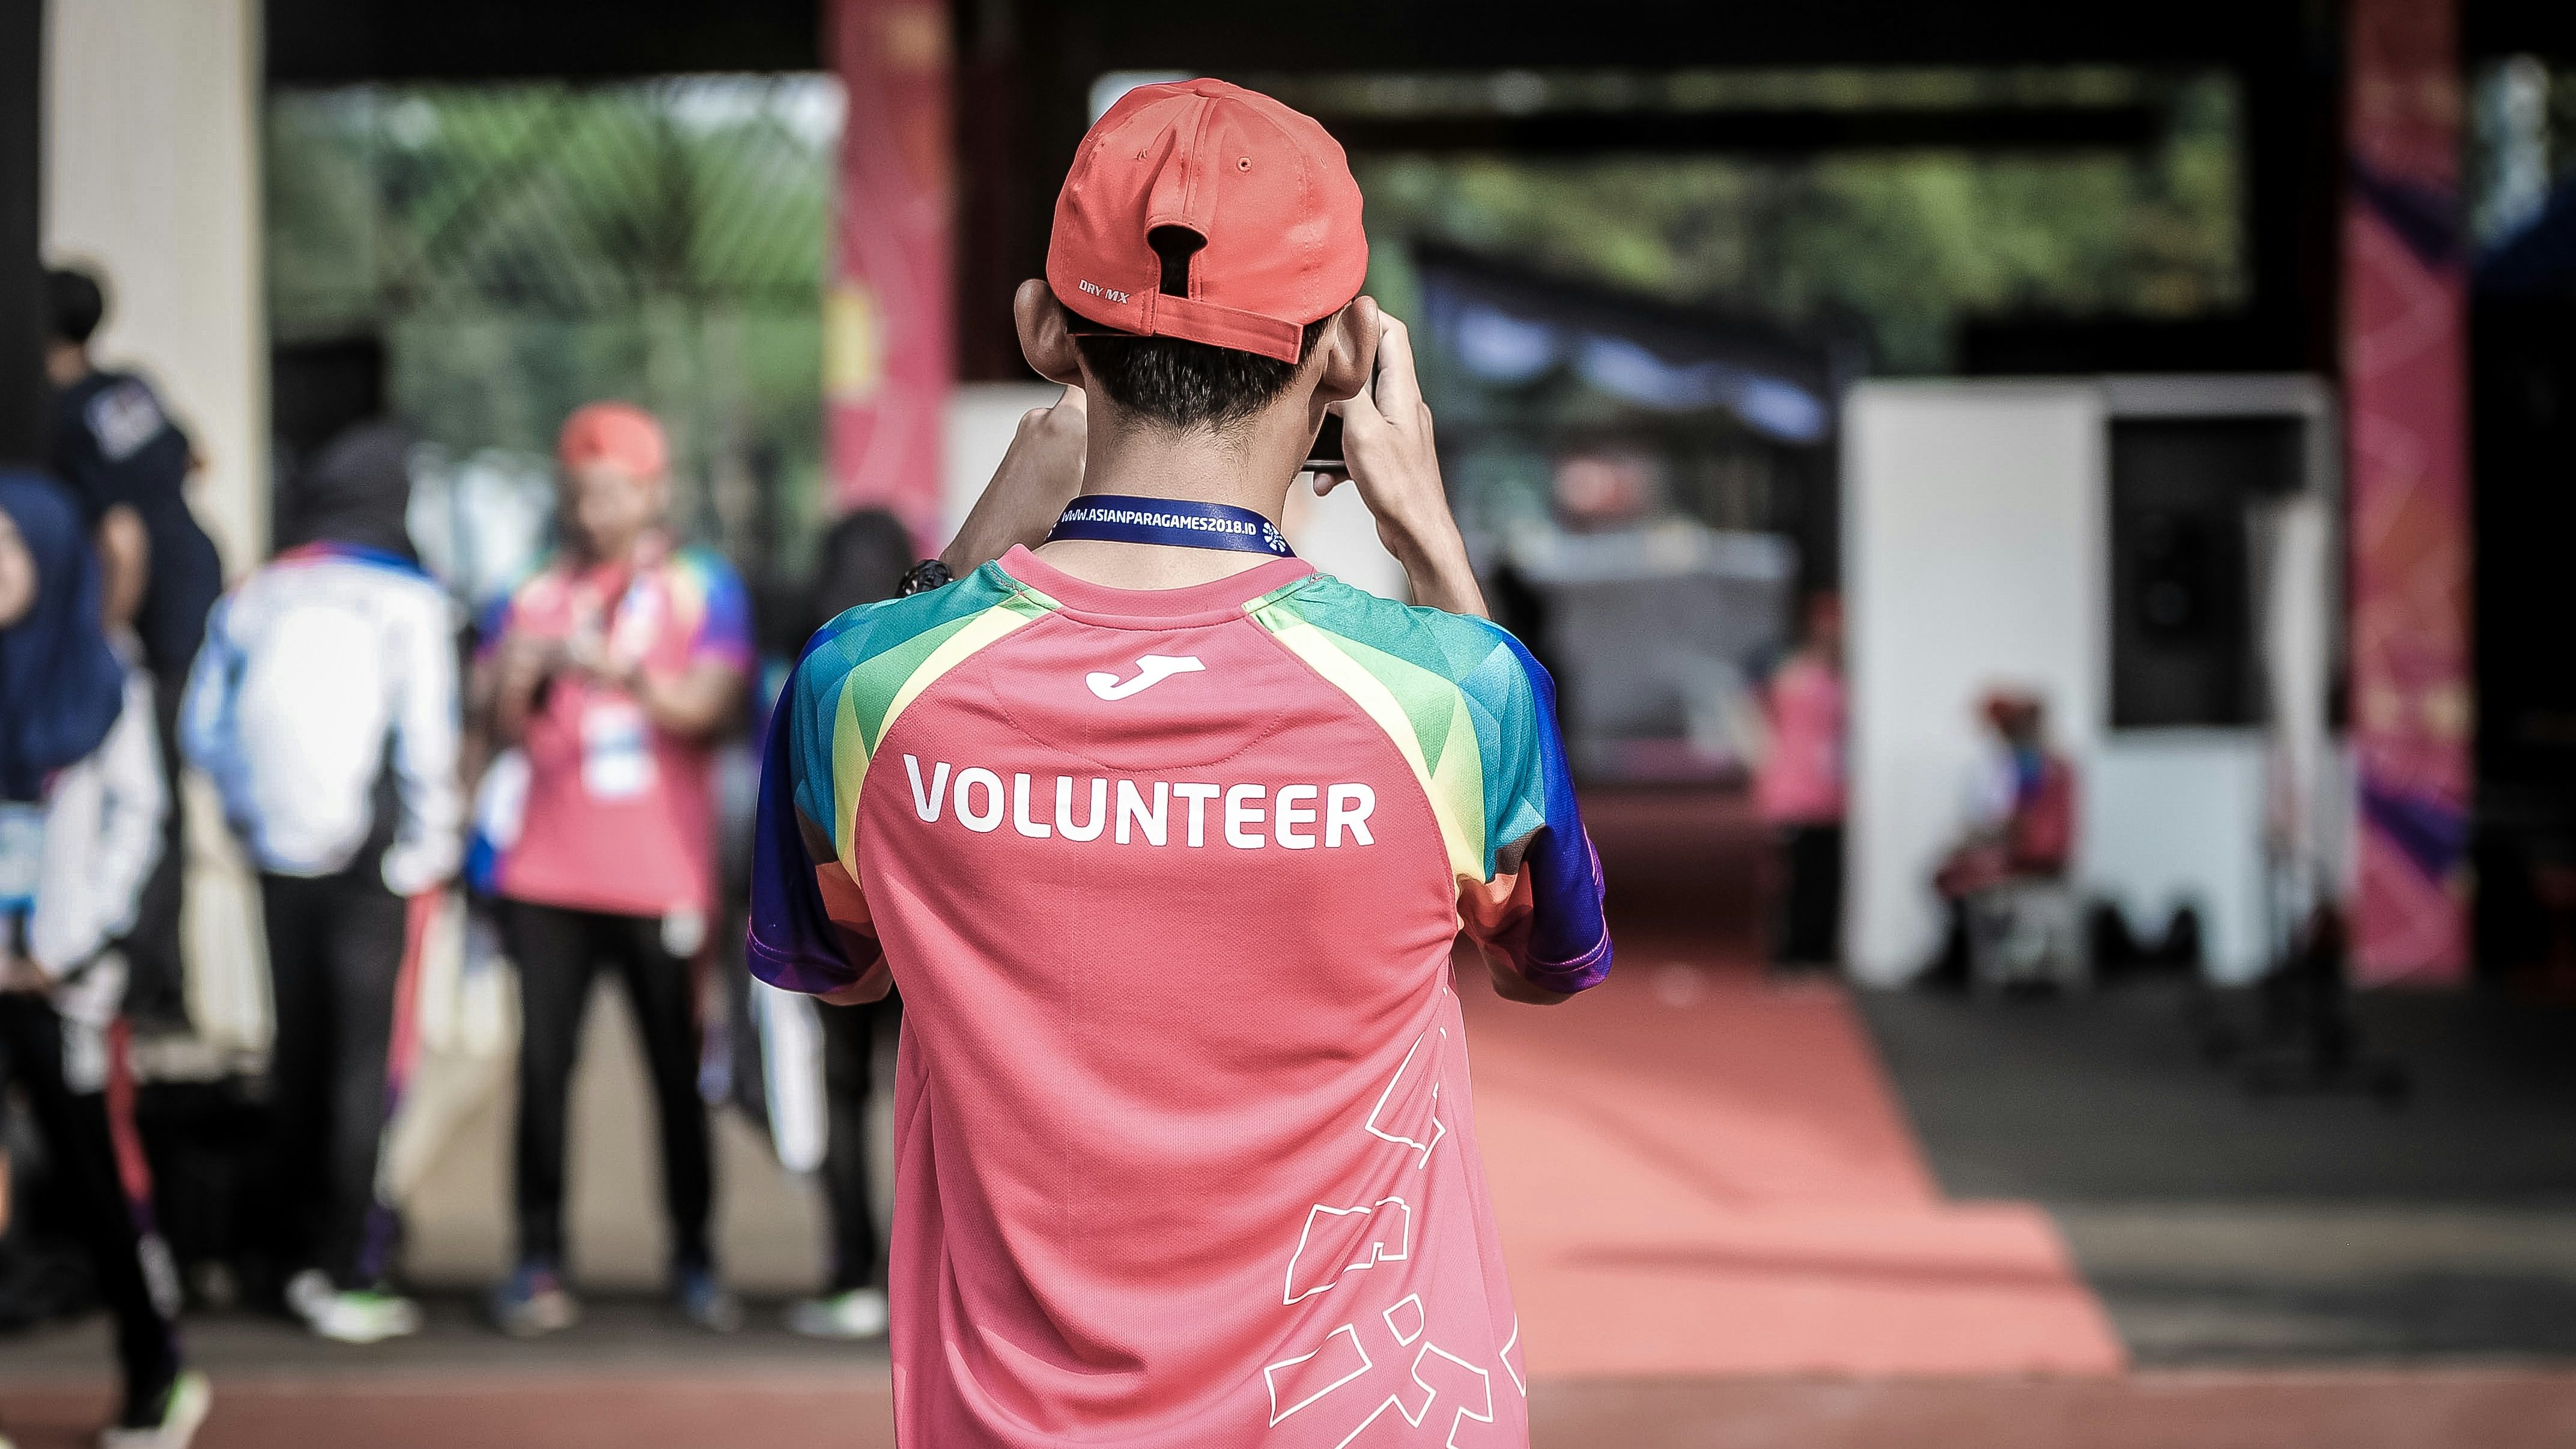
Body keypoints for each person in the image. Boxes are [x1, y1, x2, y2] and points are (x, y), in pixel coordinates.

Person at [749, 80, 1611, 1447]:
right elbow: (1543, 956)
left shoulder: (860, 684)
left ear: (1043, 328)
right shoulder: (1455, 691)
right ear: (1343, 355)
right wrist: (1433, 544)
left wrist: (967, 557)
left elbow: (839, 967)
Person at [180, 420, 461, 1343]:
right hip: (372, 869)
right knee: (358, 1069)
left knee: (294, 1056)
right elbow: (428, 740)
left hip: (278, 862)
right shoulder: (408, 600)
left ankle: (281, 1258)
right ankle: (344, 1266)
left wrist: (249, 821)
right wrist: (427, 852)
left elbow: (202, 727)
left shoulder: (259, 592)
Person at [479, 404, 752, 1336]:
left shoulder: (697, 586)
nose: (594, 507)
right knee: (544, 1075)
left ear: (652, 490)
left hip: (659, 877)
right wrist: (516, 674)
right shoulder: (528, 590)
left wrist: (623, 671)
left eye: (614, 489)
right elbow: (494, 722)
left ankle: (695, 1257)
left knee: (677, 1076)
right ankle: (538, 1256)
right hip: (545, 874)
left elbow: (710, 706)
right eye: (582, 488)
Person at [0, 476, 208, 1449]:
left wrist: (76, 942)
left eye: (8, 543)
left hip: (63, 981)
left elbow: (139, 818)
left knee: (94, 1183)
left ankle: (156, 1374)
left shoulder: (100, 674)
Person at [44, 266, 224, 1028]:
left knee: (142, 802)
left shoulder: (56, 414)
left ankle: (148, 985)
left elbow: (122, 539)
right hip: (198, 592)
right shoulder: (128, 388)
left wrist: (105, 641)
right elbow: (196, 458)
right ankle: (163, 982)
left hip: (152, 620)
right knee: (168, 803)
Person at [771, 508, 911, 1341]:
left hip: (838, 911)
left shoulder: (817, 650)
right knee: (932, 1096)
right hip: (922, 921)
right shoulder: (930, 642)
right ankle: (923, 1271)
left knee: (842, 1088)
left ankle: (850, 1270)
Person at [1754, 592, 1846, 971]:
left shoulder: (1833, 679)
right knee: (1795, 880)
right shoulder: (1794, 676)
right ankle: (1790, 956)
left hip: (1829, 797)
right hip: (1794, 795)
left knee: (1821, 879)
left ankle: (1813, 953)